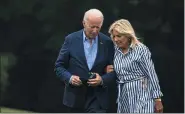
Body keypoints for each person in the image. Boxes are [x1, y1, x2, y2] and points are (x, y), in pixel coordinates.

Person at [54, 9, 116, 113]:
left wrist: (102, 80)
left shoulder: (107, 43)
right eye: (92, 27)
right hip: (75, 97)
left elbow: (115, 71)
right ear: (84, 23)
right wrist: (70, 78)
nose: (95, 30)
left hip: (97, 97)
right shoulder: (71, 39)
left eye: (98, 27)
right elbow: (59, 67)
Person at [106, 19, 163, 113]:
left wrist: (157, 99)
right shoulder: (115, 50)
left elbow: (151, 74)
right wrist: (109, 70)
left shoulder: (141, 49)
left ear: (128, 35)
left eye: (119, 36)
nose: (115, 39)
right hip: (123, 95)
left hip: (142, 93)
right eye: (114, 36)